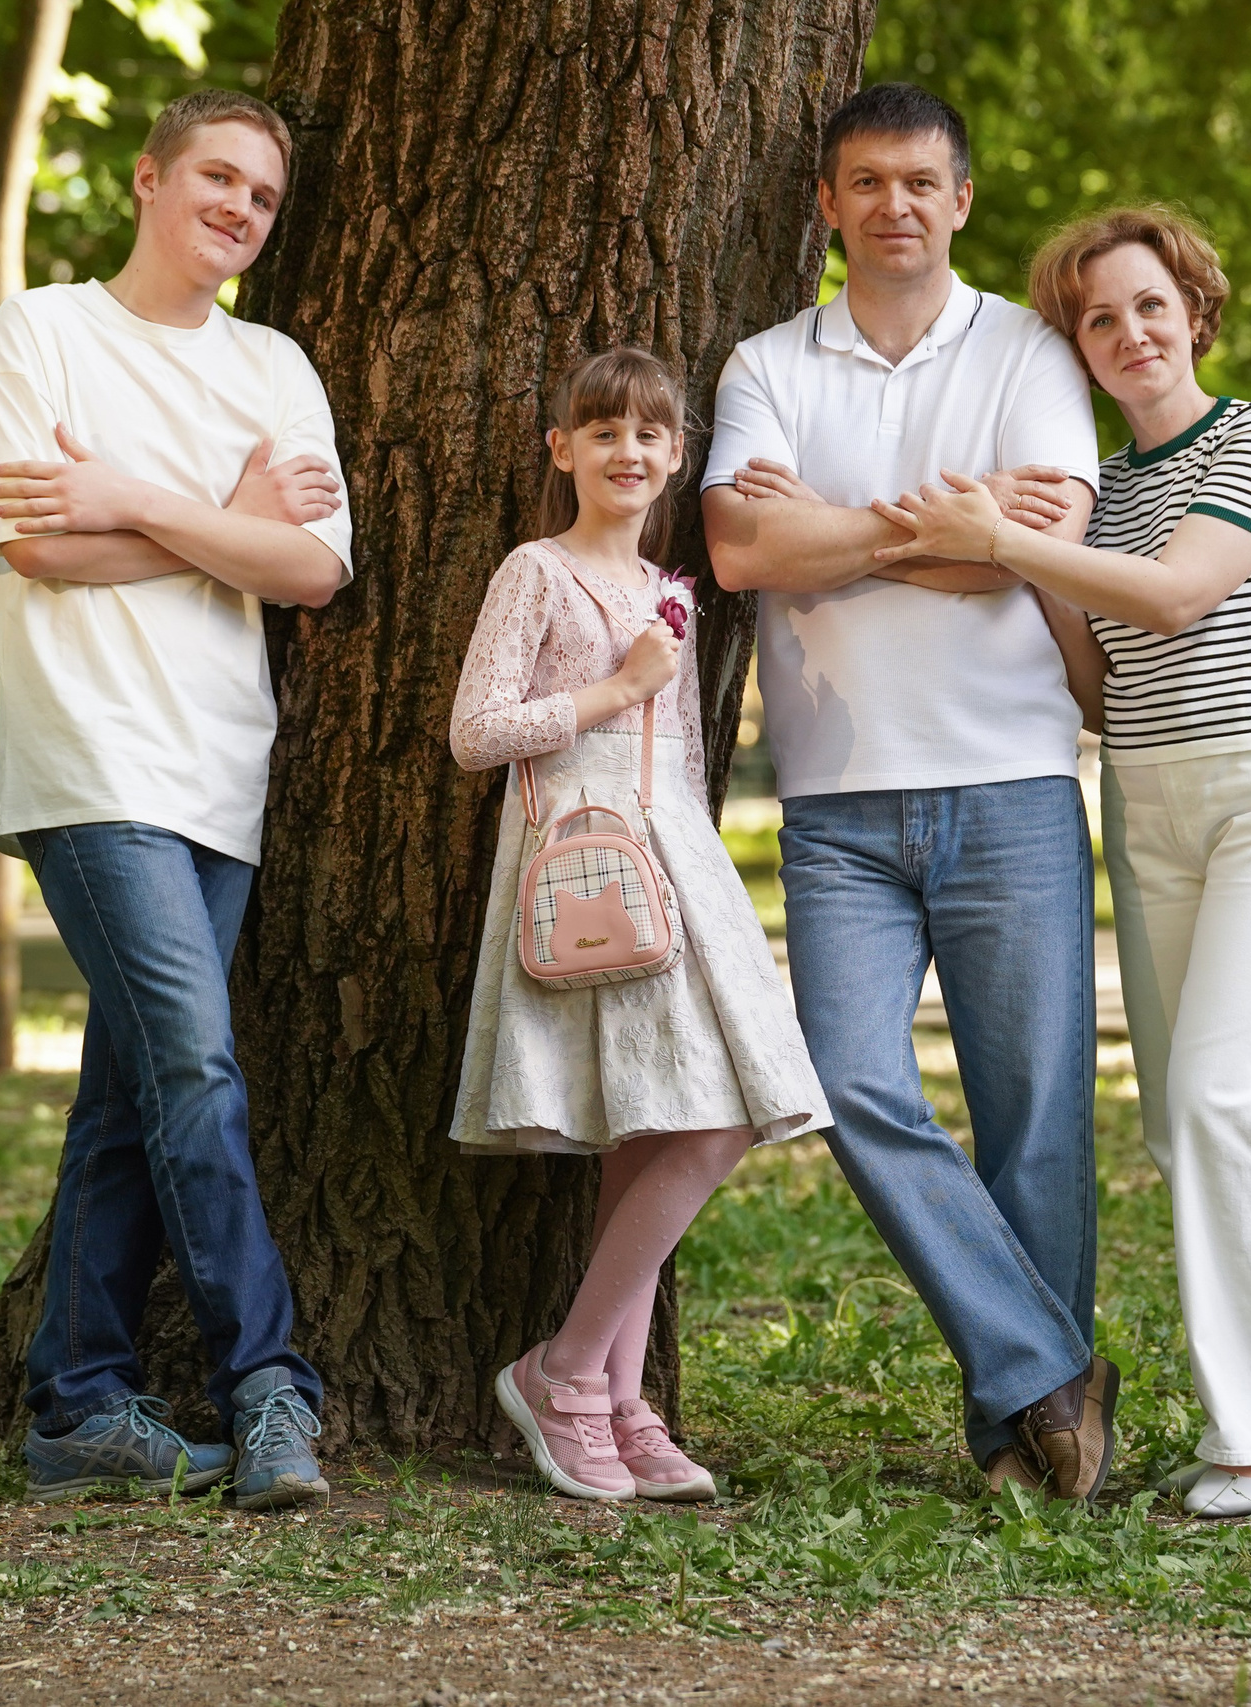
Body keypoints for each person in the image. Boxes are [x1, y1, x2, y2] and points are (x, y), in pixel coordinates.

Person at [868, 205, 1251, 1519]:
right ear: (1076, 349)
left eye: (1150, 304)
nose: (1130, 332)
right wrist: (1016, 564)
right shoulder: (1105, 489)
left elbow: (1183, 594)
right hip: (1150, 795)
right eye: (1098, 318)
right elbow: (1102, 677)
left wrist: (1008, 542)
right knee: (1203, 1113)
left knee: (1219, 1094)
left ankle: (1250, 1438)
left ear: (1195, 308)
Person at [700, 83, 1123, 1500]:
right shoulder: (767, 363)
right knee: (843, 1080)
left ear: (960, 201)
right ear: (828, 202)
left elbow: (1033, 546)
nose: (894, 205)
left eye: (920, 183)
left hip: (1008, 777)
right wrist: (939, 523)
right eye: (866, 182)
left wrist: (836, 527)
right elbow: (743, 554)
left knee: (1036, 1110)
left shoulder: (1027, 350)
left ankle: (1020, 1436)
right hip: (836, 798)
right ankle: (1055, 1370)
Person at [0, 88, 350, 1510]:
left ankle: (75, 1402)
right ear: (148, 179)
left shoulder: (276, 366)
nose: (239, 210)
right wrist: (224, 516)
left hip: (218, 770)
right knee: (195, 1063)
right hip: (92, 764)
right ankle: (269, 1387)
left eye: (262, 197)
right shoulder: (47, 329)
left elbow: (312, 571)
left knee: (129, 1096)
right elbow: (38, 548)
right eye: (218, 179)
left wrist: (130, 495)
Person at [449, 346, 831, 1502]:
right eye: (603, 430)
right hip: (584, 861)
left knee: (691, 1116)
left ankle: (611, 1393)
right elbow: (475, 732)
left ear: (675, 459)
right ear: (562, 448)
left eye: (651, 436)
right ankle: (568, 1380)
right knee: (695, 1118)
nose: (628, 451)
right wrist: (616, 689)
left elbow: (681, 752)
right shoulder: (536, 572)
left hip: (674, 858)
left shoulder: (672, 587)